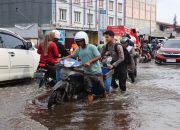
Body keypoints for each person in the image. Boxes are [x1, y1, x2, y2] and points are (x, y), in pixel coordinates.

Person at [66, 31, 106, 103]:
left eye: (81, 41)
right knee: (89, 90)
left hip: (96, 72)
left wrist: (89, 62)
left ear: (85, 40)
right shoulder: (78, 49)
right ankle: (89, 106)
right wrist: (63, 58)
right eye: (78, 42)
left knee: (102, 89)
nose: (79, 43)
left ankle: (105, 100)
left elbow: (99, 56)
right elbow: (72, 56)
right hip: (87, 73)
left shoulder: (92, 47)